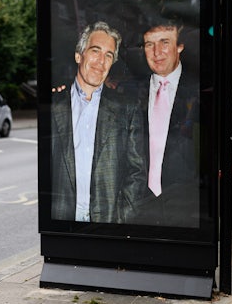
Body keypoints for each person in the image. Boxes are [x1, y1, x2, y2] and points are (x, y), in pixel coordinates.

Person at [50, 21, 146, 223]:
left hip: (109, 223)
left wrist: (121, 218)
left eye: (108, 55)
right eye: (95, 51)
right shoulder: (53, 106)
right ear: (79, 55)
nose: (101, 61)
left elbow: (137, 172)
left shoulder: (127, 108)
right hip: (62, 221)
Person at [130, 16, 200, 226]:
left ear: (180, 46)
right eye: (149, 44)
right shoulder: (131, 91)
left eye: (164, 42)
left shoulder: (198, 90)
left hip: (186, 201)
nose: (156, 52)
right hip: (140, 203)